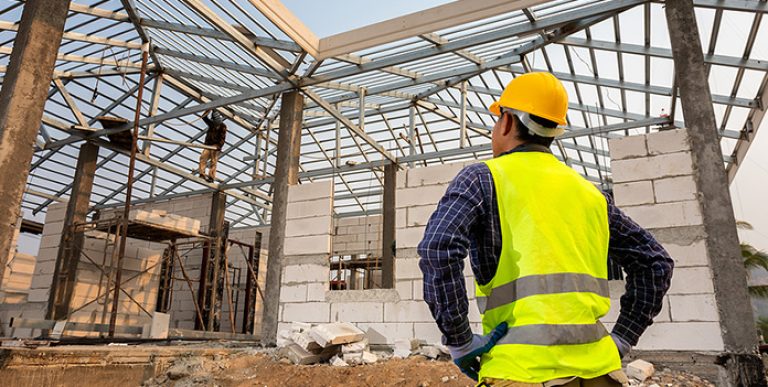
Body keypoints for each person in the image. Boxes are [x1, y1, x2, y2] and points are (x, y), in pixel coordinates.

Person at [417, 72, 674, 386]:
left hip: (520, 372)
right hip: (601, 374)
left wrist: (459, 340)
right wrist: (622, 338)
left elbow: (438, 248)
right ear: (553, 130)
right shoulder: (590, 194)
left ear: (508, 122)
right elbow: (654, 262)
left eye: (497, 118)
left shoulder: (483, 179)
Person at [199, 109, 227, 182]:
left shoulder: (222, 126)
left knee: (213, 161)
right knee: (202, 158)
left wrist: (219, 146)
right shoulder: (211, 124)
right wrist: (208, 110)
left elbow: (222, 138)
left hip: (216, 146)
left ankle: (211, 177)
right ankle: (202, 174)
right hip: (209, 144)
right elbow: (204, 117)